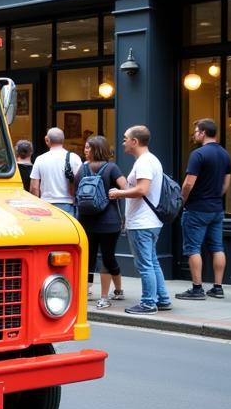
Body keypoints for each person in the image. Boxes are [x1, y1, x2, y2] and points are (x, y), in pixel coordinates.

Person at [108, 125, 173, 315]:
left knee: (145, 265)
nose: (123, 142)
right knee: (151, 262)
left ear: (134, 142)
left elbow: (142, 190)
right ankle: (162, 299)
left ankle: (148, 303)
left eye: (125, 138)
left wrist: (119, 193)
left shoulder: (144, 162)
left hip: (142, 222)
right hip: (150, 221)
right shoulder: (151, 160)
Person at [176, 118, 231, 300]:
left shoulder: (198, 154)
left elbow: (188, 184)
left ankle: (197, 288)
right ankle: (217, 287)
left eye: (196, 131)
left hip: (197, 208)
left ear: (204, 133)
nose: (194, 134)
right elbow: (226, 184)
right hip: (217, 208)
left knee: (193, 248)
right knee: (217, 247)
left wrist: (182, 201)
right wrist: (215, 196)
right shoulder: (225, 154)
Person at [77, 135, 126, 309]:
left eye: (88, 147)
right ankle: (109, 294)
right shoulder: (112, 168)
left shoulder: (82, 170)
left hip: (85, 219)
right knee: (108, 257)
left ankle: (84, 293)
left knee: (88, 258)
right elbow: (125, 187)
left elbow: (74, 191)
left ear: (96, 149)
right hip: (109, 220)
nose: (85, 150)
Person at [29, 127, 83, 214]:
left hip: (45, 204)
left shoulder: (40, 159)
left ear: (47, 140)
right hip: (68, 205)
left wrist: (36, 206)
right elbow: (80, 182)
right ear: (63, 140)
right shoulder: (74, 158)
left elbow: (34, 187)